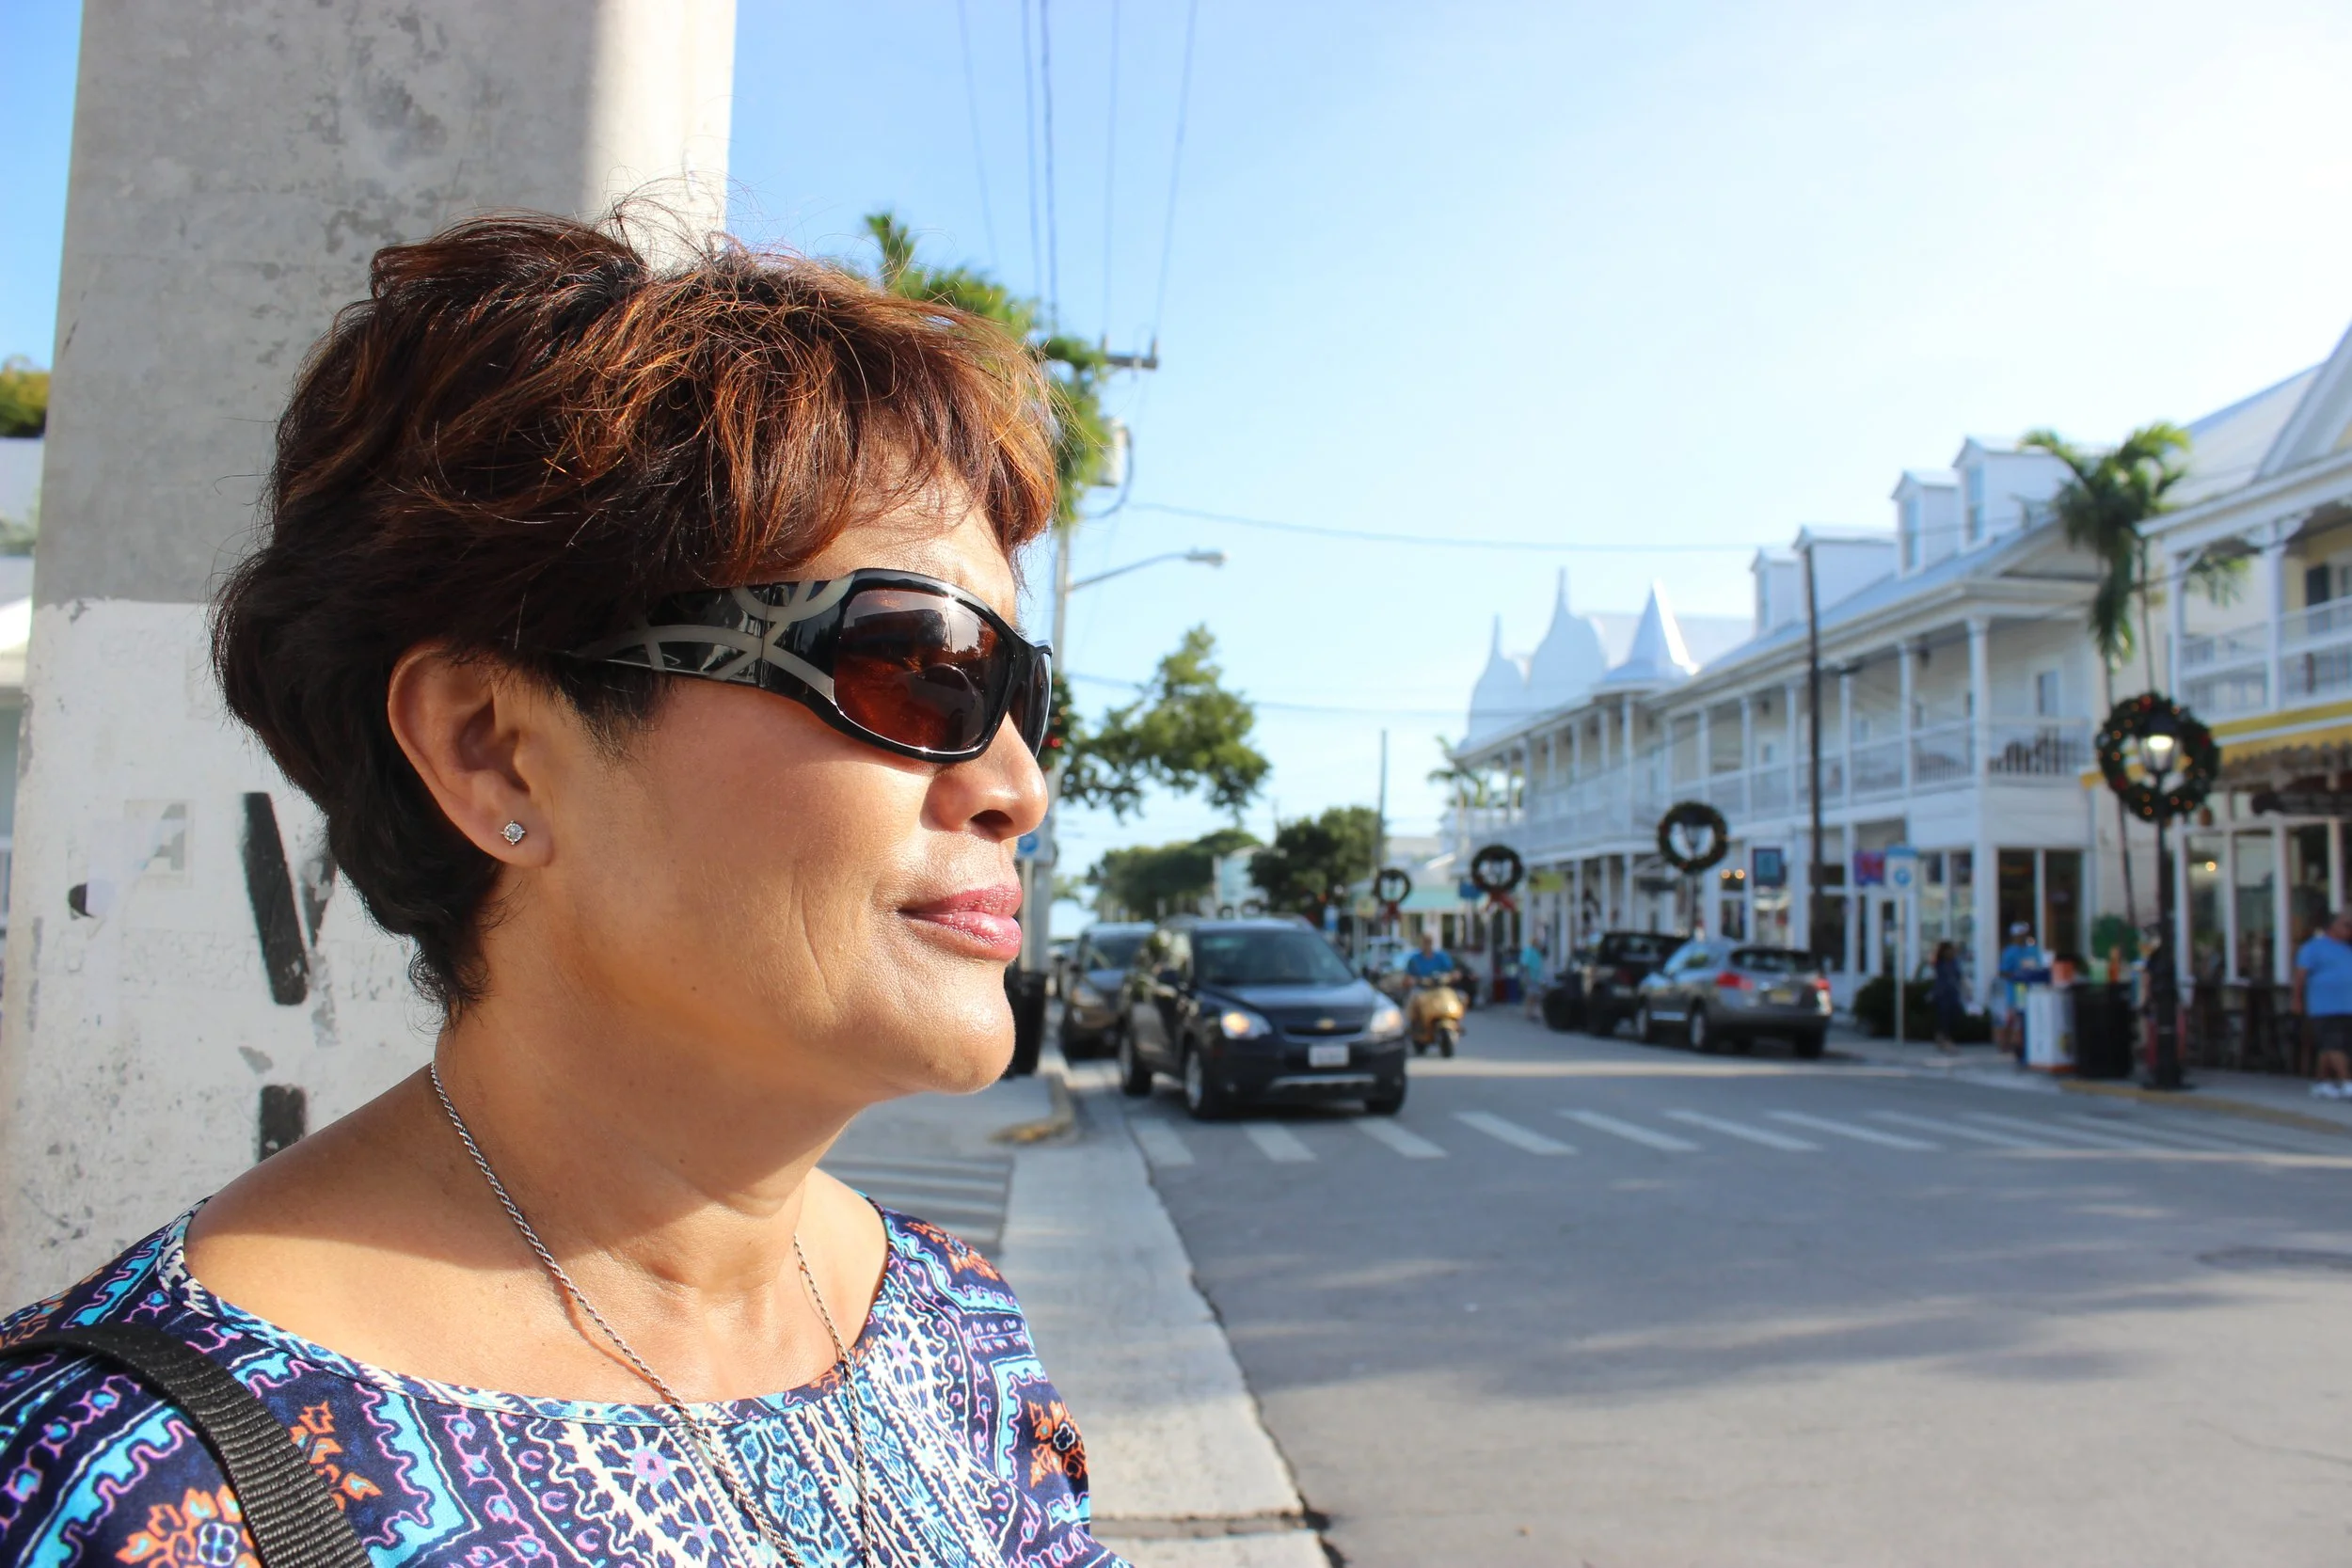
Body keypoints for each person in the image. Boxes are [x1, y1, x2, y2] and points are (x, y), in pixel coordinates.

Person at [0, 214, 1128, 1565]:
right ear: (494, 746)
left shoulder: (958, 1329)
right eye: (918, 664)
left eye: (1021, 695)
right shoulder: (135, 1490)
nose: (1017, 782)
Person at [2293, 907, 2352, 1100]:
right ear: (2333, 926)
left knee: (2330, 1046)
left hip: (2346, 1004)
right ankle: (2346, 1081)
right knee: (2335, 1044)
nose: (2350, 930)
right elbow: (2301, 976)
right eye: (2347, 925)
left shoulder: (2346, 948)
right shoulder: (2313, 948)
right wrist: (2297, 999)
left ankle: (2322, 1082)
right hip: (2324, 1006)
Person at [1997, 923, 2043, 1058]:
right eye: (2019, 935)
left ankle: (2025, 1043)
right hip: (2016, 989)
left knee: (2028, 1017)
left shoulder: (2032, 950)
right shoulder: (2010, 952)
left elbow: (2039, 966)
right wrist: (2017, 976)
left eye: (2024, 934)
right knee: (2013, 1018)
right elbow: (2003, 972)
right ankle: (2005, 1043)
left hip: (2033, 988)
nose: (2022, 937)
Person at [1930, 940, 1964, 1054]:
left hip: (1953, 993)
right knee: (1944, 1017)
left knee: (1954, 1016)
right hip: (1942, 994)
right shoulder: (1940, 963)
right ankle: (1944, 1039)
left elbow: (1958, 975)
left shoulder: (1955, 962)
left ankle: (1943, 1037)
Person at [1519, 930, 1548, 1019]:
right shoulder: (1528, 951)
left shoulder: (1537, 951)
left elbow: (1544, 956)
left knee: (1536, 995)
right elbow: (1525, 964)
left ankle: (1533, 1012)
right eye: (1537, 942)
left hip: (1537, 976)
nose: (1538, 944)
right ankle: (1528, 1012)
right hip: (1530, 976)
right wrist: (1526, 976)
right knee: (1530, 994)